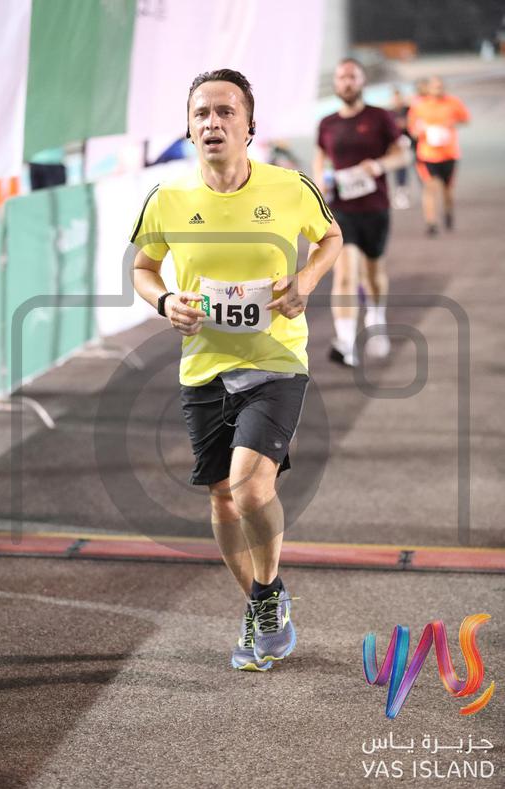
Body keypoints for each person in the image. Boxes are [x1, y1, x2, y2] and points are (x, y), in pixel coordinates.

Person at [131, 69, 342, 671]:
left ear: (250, 126)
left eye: (226, 111)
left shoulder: (290, 187)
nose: (213, 122)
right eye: (201, 113)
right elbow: (143, 268)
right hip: (204, 366)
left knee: (251, 486)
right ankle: (262, 603)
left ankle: (268, 594)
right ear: (188, 127)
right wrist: (164, 302)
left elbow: (330, 237)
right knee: (223, 498)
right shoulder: (168, 198)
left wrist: (305, 280)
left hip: (276, 359)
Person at [313, 58, 411, 366]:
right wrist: (319, 184)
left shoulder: (380, 117)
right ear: (336, 83)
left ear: (362, 81)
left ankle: (376, 317)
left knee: (373, 274)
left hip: (375, 207)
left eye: (352, 76)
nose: (346, 82)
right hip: (340, 210)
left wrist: (378, 165)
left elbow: (402, 155)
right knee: (345, 274)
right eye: (341, 77)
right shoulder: (327, 123)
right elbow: (320, 157)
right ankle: (345, 343)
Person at [407, 76, 470, 236]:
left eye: (440, 87)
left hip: (449, 154)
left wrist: (451, 124)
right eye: (435, 87)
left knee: (447, 190)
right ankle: (431, 223)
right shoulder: (419, 106)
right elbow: (412, 129)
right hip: (427, 154)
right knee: (430, 187)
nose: (438, 90)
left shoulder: (453, 102)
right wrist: (420, 131)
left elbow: (466, 119)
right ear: (428, 89)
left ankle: (448, 212)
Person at [390, 87, 411, 209]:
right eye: (395, 99)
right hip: (399, 147)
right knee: (400, 169)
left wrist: (406, 124)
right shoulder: (389, 113)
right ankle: (401, 193)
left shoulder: (409, 110)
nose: (397, 101)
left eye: (399, 98)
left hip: (413, 144)